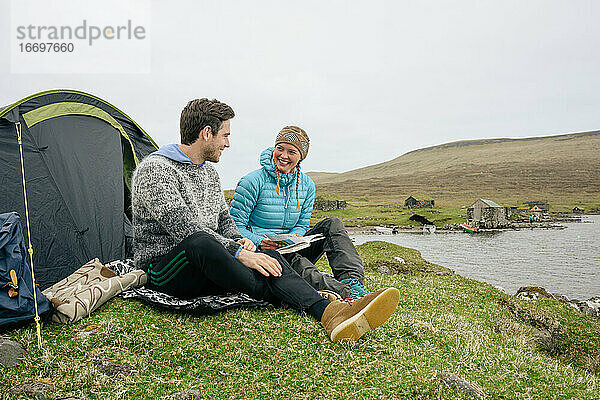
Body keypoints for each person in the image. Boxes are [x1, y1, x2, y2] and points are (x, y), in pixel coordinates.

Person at [131, 99, 399, 342]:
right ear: (206, 133)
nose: (227, 143)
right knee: (204, 241)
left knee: (262, 256)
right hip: (165, 268)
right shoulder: (156, 170)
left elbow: (224, 219)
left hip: (209, 259)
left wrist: (241, 243)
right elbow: (185, 229)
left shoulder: (209, 174)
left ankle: (330, 312)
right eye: (225, 135)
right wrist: (238, 251)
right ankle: (322, 296)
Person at [230, 126, 369, 301]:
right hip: (261, 253)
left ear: (301, 156)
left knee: (332, 224)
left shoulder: (307, 185)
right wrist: (260, 241)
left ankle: (353, 281)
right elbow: (234, 226)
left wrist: (295, 236)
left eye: (292, 151)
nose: (284, 155)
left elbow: (302, 223)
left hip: (290, 246)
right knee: (293, 259)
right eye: (280, 148)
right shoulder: (251, 181)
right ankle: (347, 294)